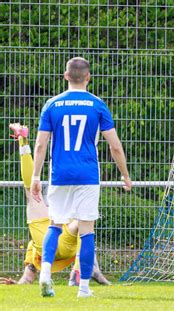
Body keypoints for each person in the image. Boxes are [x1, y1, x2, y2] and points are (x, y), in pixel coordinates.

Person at [31, 57, 132, 298]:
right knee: (86, 230)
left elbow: (40, 144)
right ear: (88, 77)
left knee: (55, 224)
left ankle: (45, 274)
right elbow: (114, 146)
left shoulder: (52, 105)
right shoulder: (97, 105)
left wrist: (36, 175)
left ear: (66, 76)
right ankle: (84, 289)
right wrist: (125, 175)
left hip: (59, 174)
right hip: (87, 175)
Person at [0, 123, 110, 286]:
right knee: (84, 223)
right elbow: (27, 278)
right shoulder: (71, 224)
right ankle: (80, 271)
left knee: (30, 190)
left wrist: (21, 283)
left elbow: (27, 278)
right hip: (63, 239)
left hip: (48, 239)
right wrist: (17, 285)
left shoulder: (35, 242)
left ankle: (22, 139)